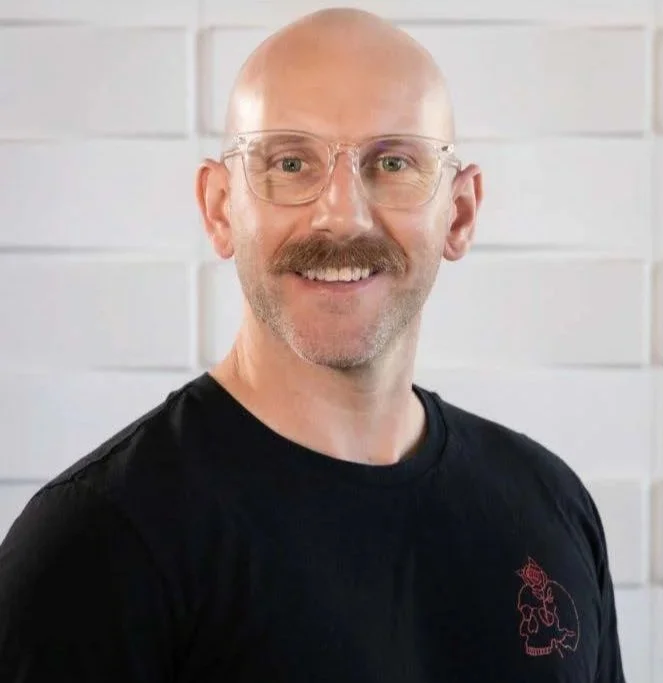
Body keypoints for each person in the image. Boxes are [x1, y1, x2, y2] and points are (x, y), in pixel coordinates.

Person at [0, 7, 625, 682]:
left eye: (393, 162)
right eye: (290, 163)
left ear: (460, 213)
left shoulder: (547, 504)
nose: (342, 215)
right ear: (219, 209)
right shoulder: (97, 543)